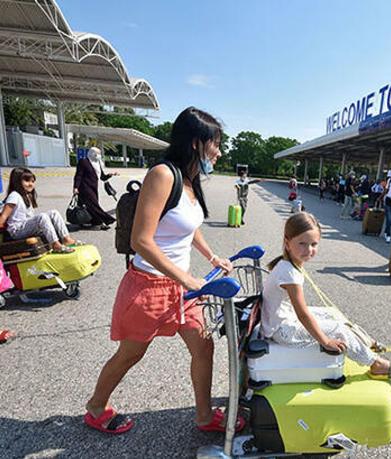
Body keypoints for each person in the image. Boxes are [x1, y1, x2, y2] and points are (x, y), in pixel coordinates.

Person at [84, 107, 233, 435]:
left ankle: (204, 416)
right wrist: (187, 278)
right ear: (197, 143)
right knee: (130, 354)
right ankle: (96, 407)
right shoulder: (163, 174)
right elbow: (141, 240)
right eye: (216, 144)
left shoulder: (189, 181)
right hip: (149, 286)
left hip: (181, 289)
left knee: (204, 346)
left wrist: (211, 257)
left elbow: (188, 226)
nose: (219, 152)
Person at [264, 212, 391, 379]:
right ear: (287, 243)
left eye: (313, 244)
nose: (309, 250)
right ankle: (375, 363)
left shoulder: (287, 264)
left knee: (331, 313)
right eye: (302, 244)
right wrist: (325, 341)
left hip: (280, 319)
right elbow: (302, 314)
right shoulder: (289, 273)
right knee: (338, 329)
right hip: (281, 330)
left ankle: (366, 342)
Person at [0, 167, 77, 253]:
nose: (31, 184)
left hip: (24, 227)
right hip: (16, 230)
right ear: (17, 181)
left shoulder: (27, 195)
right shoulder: (14, 195)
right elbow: (3, 216)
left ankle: (66, 239)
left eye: (32, 181)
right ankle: (55, 244)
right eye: (27, 181)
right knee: (42, 217)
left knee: (53, 213)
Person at [73, 147, 118, 230]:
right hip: (85, 188)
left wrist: (111, 174)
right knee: (94, 206)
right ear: (92, 154)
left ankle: (90, 222)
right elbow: (78, 176)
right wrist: (76, 187)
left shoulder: (97, 163)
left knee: (88, 206)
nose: (99, 156)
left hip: (94, 188)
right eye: (97, 154)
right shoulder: (83, 162)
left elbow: (102, 177)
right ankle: (106, 220)